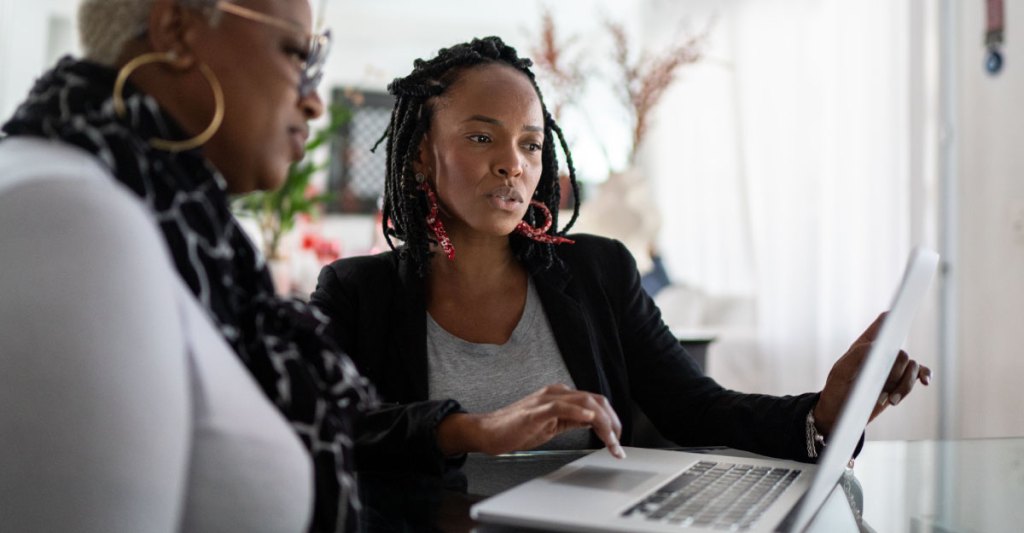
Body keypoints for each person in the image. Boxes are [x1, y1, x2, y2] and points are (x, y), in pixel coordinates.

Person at [310, 36, 931, 474]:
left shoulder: (598, 271)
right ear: (421, 154)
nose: (513, 164)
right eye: (481, 137)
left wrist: (823, 415)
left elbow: (694, 408)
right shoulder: (357, 292)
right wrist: (473, 430)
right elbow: (330, 430)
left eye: (530, 144)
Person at [0, 1, 374, 531]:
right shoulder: (71, 217)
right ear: (177, 30)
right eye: (297, 52)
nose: (313, 102)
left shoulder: (158, 217)